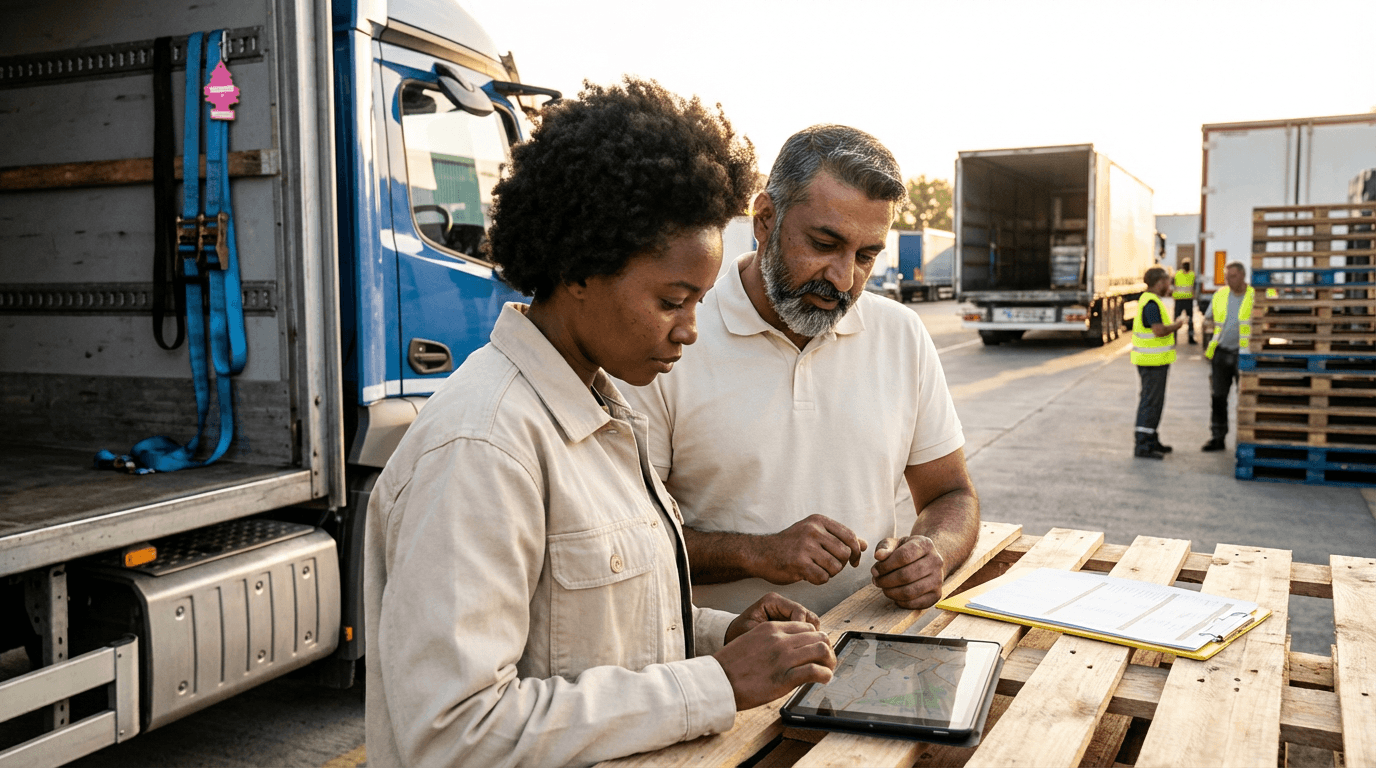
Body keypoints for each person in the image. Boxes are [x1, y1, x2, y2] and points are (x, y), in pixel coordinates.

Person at [363, 79, 837, 768]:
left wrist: (720, 635)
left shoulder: (602, 408)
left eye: (700, 301)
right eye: (673, 300)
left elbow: (592, 637)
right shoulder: (485, 445)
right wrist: (716, 683)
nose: (690, 331)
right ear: (580, 269)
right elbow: (452, 733)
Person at [620, 125, 979, 618]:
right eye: (825, 243)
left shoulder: (902, 335)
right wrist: (759, 553)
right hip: (717, 672)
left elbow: (951, 493)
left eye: (866, 255)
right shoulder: (673, 337)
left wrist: (933, 552)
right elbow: (627, 541)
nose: (844, 278)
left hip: (862, 655)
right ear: (765, 218)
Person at [1202, 262, 1255, 452]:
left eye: (1232, 276)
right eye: (1226, 277)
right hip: (1221, 353)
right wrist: (1207, 346)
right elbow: (1208, 321)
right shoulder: (1220, 295)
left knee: (1246, 399)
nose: (1228, 280)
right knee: (1218, 397)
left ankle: (1245, 438)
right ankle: (1218, 436)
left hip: (1245, 355)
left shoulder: (1253, 296)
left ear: (1242, 276)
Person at [1132, 266, 1183, 459]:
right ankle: (1143, 445)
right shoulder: (1151, 304)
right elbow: (1159, 330)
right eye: (1168, 281)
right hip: (1151, 361)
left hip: (1155, 360)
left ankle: (1152, 439)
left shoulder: (1151, 301)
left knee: (1155, 402)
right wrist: (1177, 325)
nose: (1170, 285)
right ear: (1160, 282)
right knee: (1150, 402)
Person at [1171, 259, 1198, 344]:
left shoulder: (1177, 274)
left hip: (1181, 300)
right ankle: (1189, 339)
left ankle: (1176, 339)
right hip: (1185, 300)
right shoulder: (1191, 274)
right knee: (1187, 320)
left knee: (1184, 320)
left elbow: (1172, 284)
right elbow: (1195, 286)